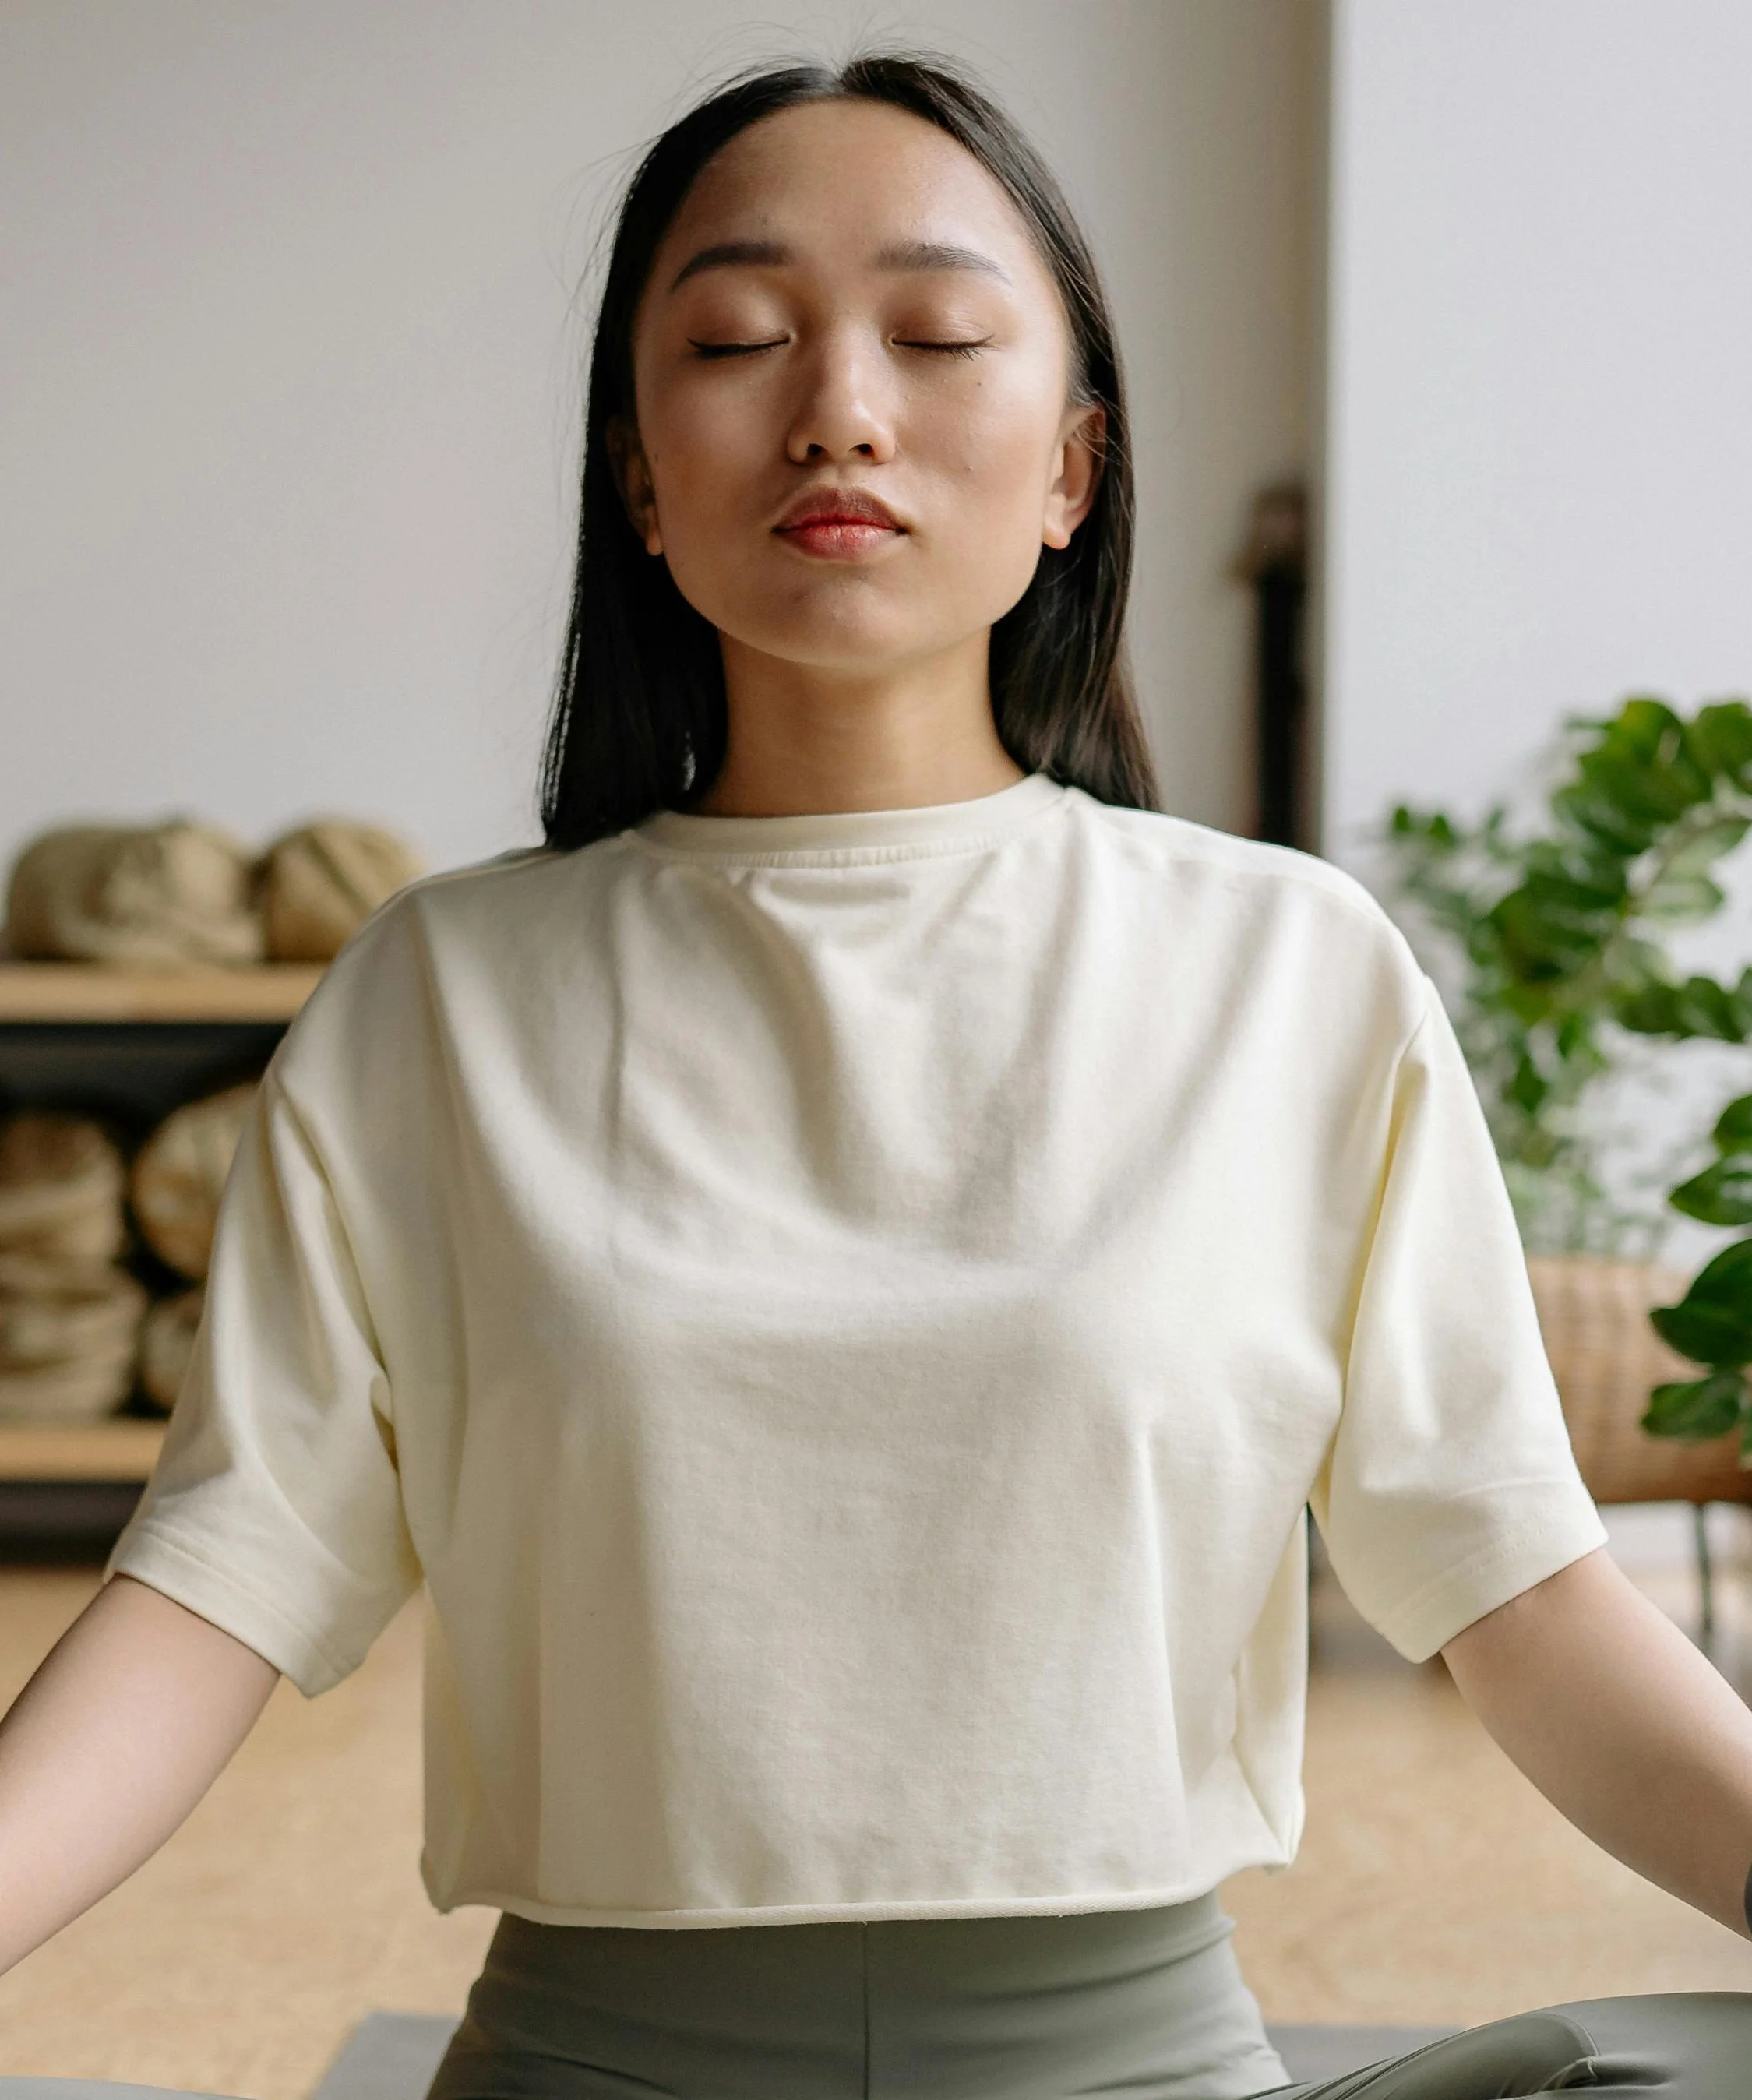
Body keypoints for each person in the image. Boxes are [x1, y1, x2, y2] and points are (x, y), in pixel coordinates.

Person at [2, 49, 1750, 2100]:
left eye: (935, 334)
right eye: (739, 337)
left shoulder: (1288, 974)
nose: (839, 403)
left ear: (1073, 469)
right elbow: (212, 1588)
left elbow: (1520, 1598)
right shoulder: (438, 1002)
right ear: (640, 477)